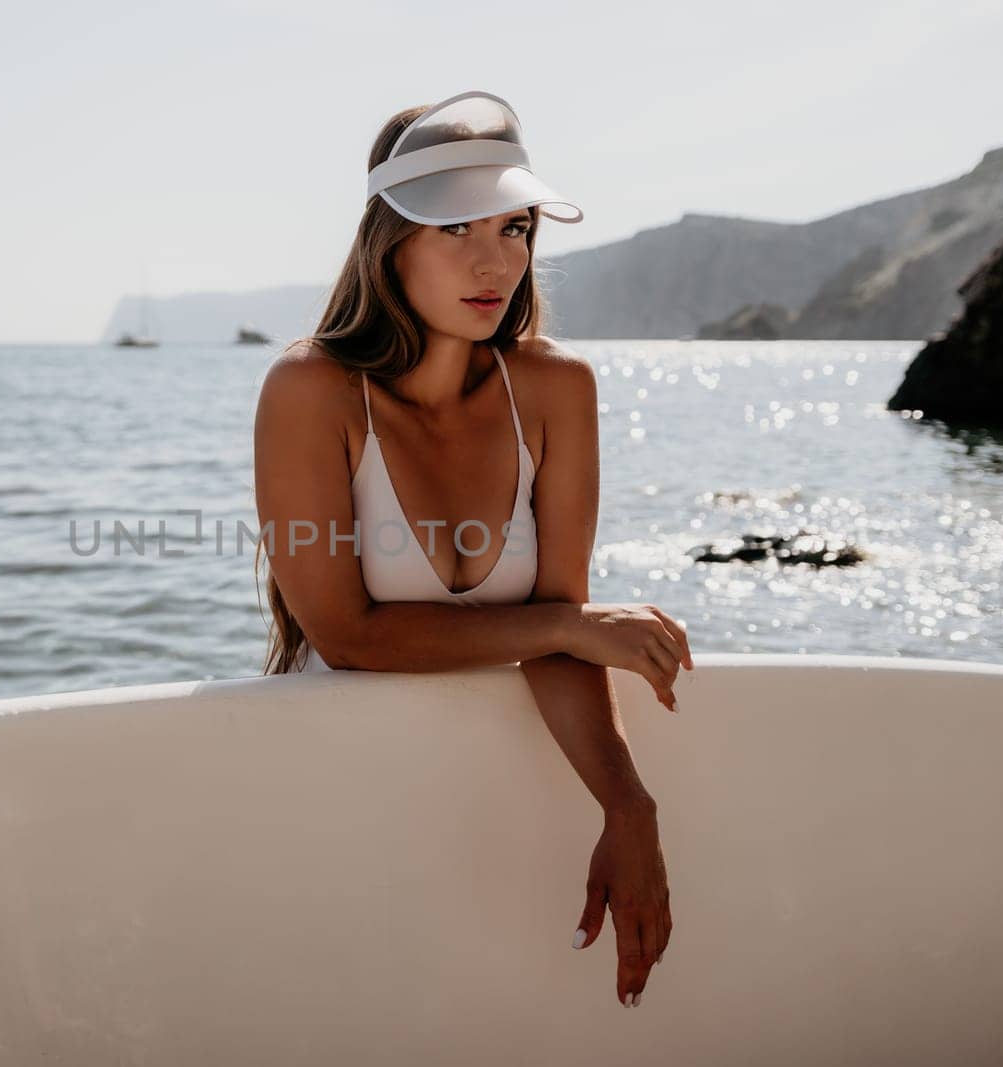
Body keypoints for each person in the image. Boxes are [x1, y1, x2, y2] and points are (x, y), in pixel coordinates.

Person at [252, 90, 694, 1009]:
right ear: (391, 241)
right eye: (457, 226)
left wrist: (628, 804)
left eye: (516, 226)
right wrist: (572, 623)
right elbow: (349, 636)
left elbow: (560, 634)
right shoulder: (311, 389)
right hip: (329, 768)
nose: (496, 259)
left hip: (477, 793)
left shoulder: (556, 388)